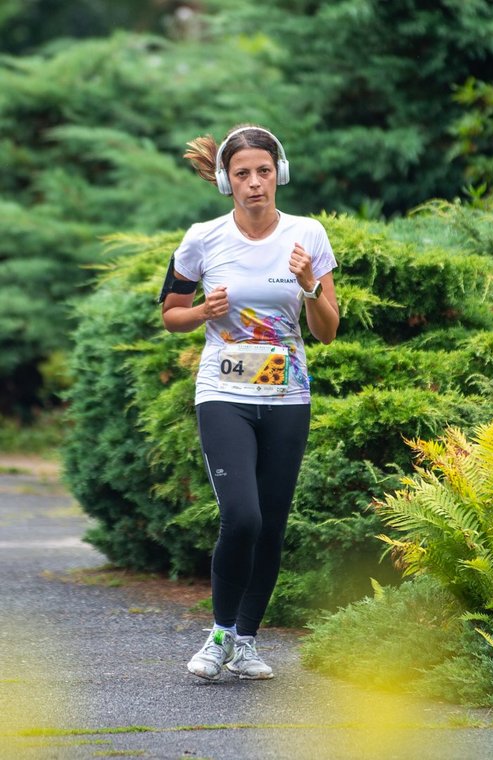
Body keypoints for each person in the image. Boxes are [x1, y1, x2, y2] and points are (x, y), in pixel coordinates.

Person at [160, 124, 339, 680]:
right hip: (224, 393)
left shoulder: (308, 235)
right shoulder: (202, 238)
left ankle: (247, 641)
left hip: (288, 395)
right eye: (243, 173)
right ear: (225, 180)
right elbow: (170, 314)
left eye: (264, 171)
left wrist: (310, 285)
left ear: (278, 173)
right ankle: (217, 635)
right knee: (242, 517)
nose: (255, 183)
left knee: (271, 525)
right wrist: (201, 314)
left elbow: (328, 330)